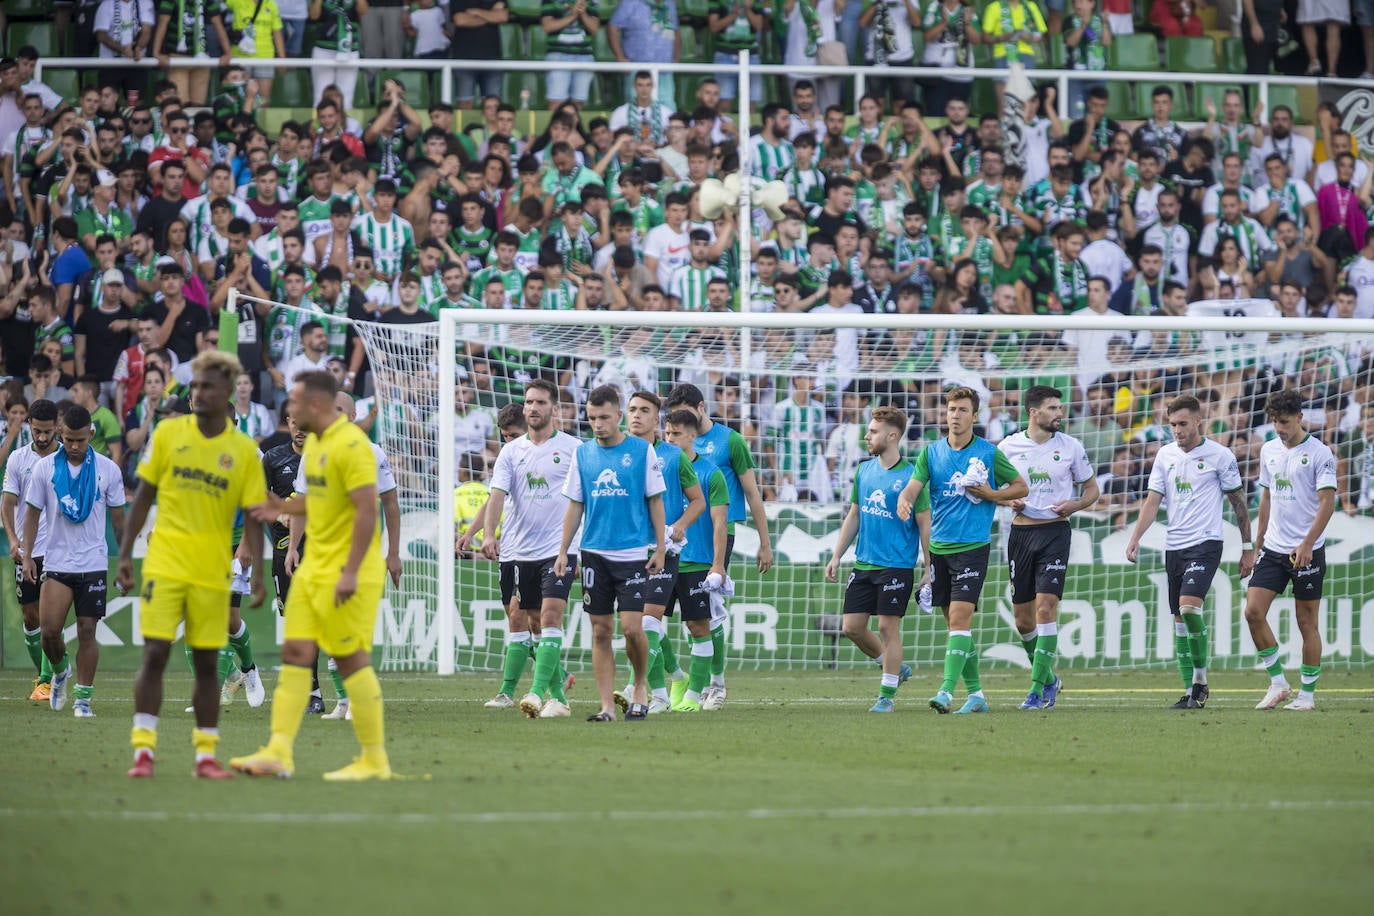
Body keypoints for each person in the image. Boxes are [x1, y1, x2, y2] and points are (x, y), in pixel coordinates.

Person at [231, 369, 393, 779]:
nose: (291, 409)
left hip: (349, 568)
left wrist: (352, 571)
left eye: (297, 402)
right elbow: (312, 500)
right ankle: (278, 752)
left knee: (350, 659)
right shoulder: (317, 445)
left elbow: (366, 511)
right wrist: (280, 509)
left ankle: (374, 760)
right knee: (296, 655)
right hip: (314, 563)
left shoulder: (353, 447)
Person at [119, 350, 268, 778]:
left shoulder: (242, 450)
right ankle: (143, 751)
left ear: (227, 393)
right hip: (165, 564)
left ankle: (206, 755)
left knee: (207, 663)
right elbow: (143, 495)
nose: (197, 393)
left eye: (207, 386)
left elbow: (254, 514)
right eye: (195, 386)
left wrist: (257, 571)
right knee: (155, 654)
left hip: (212, 569)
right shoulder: (167, 434)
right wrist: (126, 554)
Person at [897, 386, 1026, 714]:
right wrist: (905, 499)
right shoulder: (931, 453)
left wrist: (991, 494)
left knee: (959, 618)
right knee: (957, 627)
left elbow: (1020, 486)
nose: (955, 415)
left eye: (962, 410)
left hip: (973, 548)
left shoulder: (988, 453)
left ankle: (945, 691)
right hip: (939, 549)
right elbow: (914, 486)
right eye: (951, 409)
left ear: (974, 415)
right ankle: (977, 695)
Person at [1126, 394, 1255, 709]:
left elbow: (1238, 502)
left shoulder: (1220, 455)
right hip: (1174, 547)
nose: (1177, 430)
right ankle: (1190, 692)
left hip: (1206, 542)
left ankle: (1200, 681)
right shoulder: (1165, 455)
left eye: (1183, 423)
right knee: (1179, 622)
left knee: (1189, 608)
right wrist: (1135, 537)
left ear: (1200, 421)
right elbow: (1153, 500)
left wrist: (1248, 547)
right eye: (1172, 424)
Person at [464, 380, 580, 716]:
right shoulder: (510, 452)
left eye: (540, 402)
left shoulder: (574, 448)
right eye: (529, 401)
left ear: (553, 409)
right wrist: (486, 534)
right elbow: (496, 495)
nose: (533, 407)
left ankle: (535, 692)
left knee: (549, 616)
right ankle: (560, 695)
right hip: (519, 551)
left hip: (559, 549)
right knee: (530, 622)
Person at [553, 384, 667, 722]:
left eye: (604, 417)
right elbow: (575, 505)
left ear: (619, 416)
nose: (598, 424)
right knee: (601, 630)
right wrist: (564, 552)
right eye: (592, 418)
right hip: (593, 554)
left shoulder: (642, 451)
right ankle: (606, 707)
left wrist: (660, 547)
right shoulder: (583, 454)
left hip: (632, 553)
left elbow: (655, 500)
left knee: (633, 628)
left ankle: (640, 686)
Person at [664, 382, 775, 709]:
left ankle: (717, 684)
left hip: (716, 533)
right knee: (677, 617)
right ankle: (681, 679)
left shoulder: (730, 441)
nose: (675, 427)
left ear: (700, 408)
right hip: (676, 535)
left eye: (682, 416)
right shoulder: (670, 446)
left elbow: (753, 492)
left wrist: (764, 542)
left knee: (708, 612)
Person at [997, 386, 1100, 710]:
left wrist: (1075, 504)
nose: (1060, 413)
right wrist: (1006, 497)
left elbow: (1092, 489)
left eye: (1060, 407)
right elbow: (993, 487)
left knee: (1045, 610)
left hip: (1055, 533)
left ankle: (1036, 692)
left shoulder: (1071, 447)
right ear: (1034, 412)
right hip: (1019, 535)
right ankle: (1050, 678)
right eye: (1053, 408)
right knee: (1024, 621)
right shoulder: (1008, 446)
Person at [824, 406, 931, 712]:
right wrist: (836, 555)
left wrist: (928, 567)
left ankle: (886, 697)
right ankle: (893, 667)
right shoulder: (864, 470)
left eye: (873, 431)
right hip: (864, 564)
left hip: (896, 565)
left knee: (887, 627)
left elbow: (925, 522)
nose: (867, 436)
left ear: (892, 435)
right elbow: (854, 514)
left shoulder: (913, 477)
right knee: (852, 628)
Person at [22, 404, 127, 717]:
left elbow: (120, 522)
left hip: (93, 563)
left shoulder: (108, 469)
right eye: (68, 439)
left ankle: (83, 700)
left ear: (91, 435)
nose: (74, 446)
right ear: (60, 433)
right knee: (50, 632)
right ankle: (60, 670)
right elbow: (31, 514)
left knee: (86, 631)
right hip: (57, 563)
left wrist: (123, 562)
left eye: (81, 440)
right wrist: (27, 555)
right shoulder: (45, 469)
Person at [1243, 389, 1337, 711]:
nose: (1279, 428)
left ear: (1299, 417)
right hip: (1273, 547)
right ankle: (1279, 683)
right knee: (1253, 612)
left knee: (1305, 622)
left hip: (1306, 550)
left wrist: (1308, 543)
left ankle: (1307, 695)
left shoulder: (1320, 453)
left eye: (1284, 422)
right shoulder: (1269, 450)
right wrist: (1257, 546)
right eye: (1274, 422)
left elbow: (1328, 503)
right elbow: (1266, 498)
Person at [613, 390, 705, 714]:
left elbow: (698, 501)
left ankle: (632, 686)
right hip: (627, 551)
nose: (636, 415)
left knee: (649, 622)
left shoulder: (674, 456)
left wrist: (680, 524)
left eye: (644, 410)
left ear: (657, 418)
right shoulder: (616, 455)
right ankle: (669, 687)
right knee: (636, 626)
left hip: (664, 550)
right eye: (632, 409)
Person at [2, 399, 60, 702]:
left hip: (58, 550)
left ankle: (48, 679)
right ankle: (46, 674)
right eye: (37, 431)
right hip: (27, 551)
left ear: (57, 427)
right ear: (30, 427)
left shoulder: (67, 459)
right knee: (30, 618)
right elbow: (8, 504)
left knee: (51, 619)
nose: (41, 437)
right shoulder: (18, 459)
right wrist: (13, 540)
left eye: (47, 431)